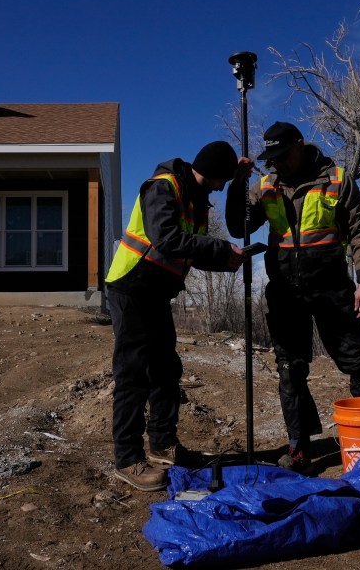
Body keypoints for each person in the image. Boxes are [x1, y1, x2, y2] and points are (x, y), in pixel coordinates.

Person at [225, 121, 360, 475]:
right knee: (289, 369)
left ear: (300, 145)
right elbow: (240, 226)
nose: (276, 163)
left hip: (332, 289)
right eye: (271, 158)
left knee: (359, 363)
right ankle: (299, 448)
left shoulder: (336, 179)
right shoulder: (265, 185)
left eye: (282, 155)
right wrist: (237, 184)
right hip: (285, 291)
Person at [105, 141, 245, 491]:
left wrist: (226, 260)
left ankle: (163, 445)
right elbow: (166, 239)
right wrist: (217, 247)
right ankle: (127, 459)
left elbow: (190, 252)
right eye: (221, 181)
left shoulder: (195, 200)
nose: (221, 187)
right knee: (133, 373)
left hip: (155, 293)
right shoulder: (163, 187)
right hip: (131, 286)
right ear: (210, 172)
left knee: (166, 370)